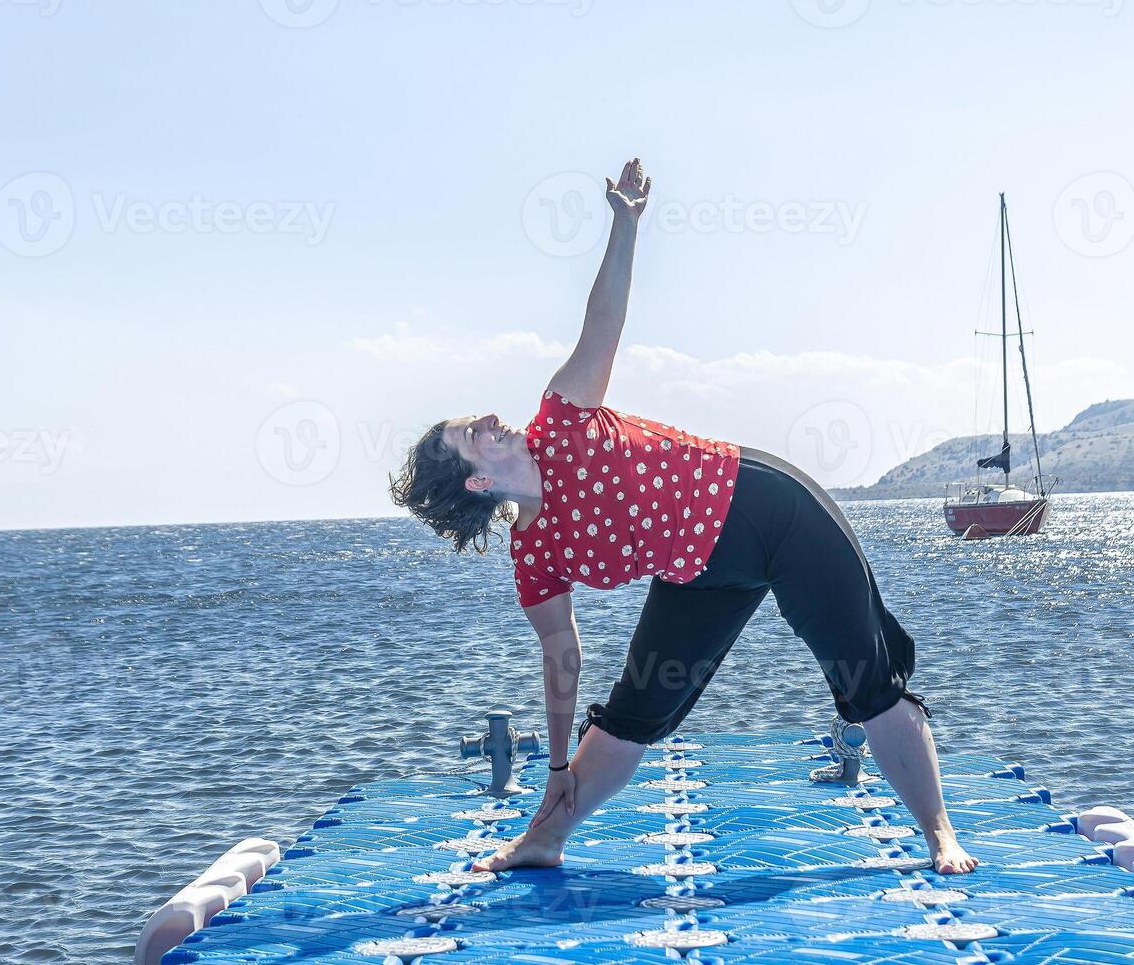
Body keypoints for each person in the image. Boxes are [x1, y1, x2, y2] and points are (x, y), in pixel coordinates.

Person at [390, 158, 977, 874]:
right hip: (700, 573)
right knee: (634, 711)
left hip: (772, 512)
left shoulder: (563, 418)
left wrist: (625, 223)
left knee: (867, 681)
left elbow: (604, 318)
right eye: (470, 433)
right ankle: (543, 837)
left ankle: (940, 834)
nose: (487, 417)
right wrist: (552, 767)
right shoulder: (534, 552)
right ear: (479, 480)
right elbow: (562, 659)